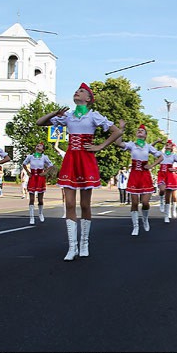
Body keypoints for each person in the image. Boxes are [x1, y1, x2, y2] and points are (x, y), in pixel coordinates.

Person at [36, 82, 123, 261]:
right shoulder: (68, 116)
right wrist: (55, 113)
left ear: (88, 99)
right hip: (70, 159)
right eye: (76, 90)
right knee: (69, 204)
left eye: (82, 91)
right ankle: (71, 246)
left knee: (85, 205)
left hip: (86, 159)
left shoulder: (93, 116)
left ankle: (84, 243)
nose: (77, 91)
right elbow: (40, 123)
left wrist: (99, 147)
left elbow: (116, 132)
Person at [115, 123, 163, 234]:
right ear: (136, 134)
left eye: (142, 131)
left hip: (145, 175)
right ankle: (135, 226)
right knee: (135, 202)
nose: (139, 131)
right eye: (138, 130)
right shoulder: (132, 145)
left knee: (145, 202)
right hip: (134, 175)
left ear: (145, 135)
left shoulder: (148, 146)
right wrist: (121, 129)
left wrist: (151, 166)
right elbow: (118, 143)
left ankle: (145, 220)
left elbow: (161, 157)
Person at [22, 142, 54, 225]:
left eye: (40, 146)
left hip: (40, 177)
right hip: (33, 177)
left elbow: (51, 165)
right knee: (32, 199)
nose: (38, 146)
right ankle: (31, 217)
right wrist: (28, 172)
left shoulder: (44, 157)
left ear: (43, 149)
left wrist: (45, 172)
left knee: (40, 199)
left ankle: (40, 213)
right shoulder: (30, 157)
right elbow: (24, 164)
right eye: (37, 145)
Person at [157, 139, 177, 223]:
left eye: (169, 144)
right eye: (166, 144)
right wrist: (156, 142)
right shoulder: (161, 154)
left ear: (172, 147)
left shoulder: (174, 156)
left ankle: (172, 211)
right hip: (162, 174)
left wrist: (175, 169)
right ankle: (162, 203)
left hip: (171, 176)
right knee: (163, 191)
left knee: (174, 197)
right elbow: (151, 150)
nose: (167, 145)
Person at [53, 131, 68, 218]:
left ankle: (70, 211)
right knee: (64, 194)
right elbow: (56, 147)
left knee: (70, 194)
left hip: (72, 176)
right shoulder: (65, 154)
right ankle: (65, 212)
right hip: (64, 175)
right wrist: (58, 137)